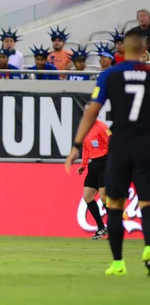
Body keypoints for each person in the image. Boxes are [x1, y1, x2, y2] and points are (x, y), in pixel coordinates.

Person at [65, 29, 150, 276]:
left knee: (114, 204)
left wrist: (75, 146)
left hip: (121, 143)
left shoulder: (110, 74)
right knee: (146, 202)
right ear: (144, 51)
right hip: (146, 144)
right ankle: (148, 247)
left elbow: (92, 111)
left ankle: (118, 262)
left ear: (121, 51)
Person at [74, 102, 111, 239]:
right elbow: (86, 147)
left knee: (103, 197)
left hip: (105, 163)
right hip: (93, 164)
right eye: (86, 111)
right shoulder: (85, 128)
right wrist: (83, 164)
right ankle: (101, 228)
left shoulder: (102, 127)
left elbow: (111, 143)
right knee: (87, 197)